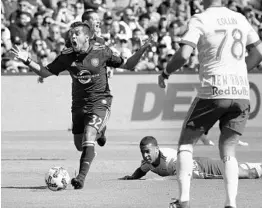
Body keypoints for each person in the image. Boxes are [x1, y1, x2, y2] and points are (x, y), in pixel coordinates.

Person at [11, 21, 157, 190]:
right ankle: (101, 131)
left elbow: (128, 65)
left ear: (86, 37)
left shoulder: (102, 52)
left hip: (100, 102)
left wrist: (143, 48)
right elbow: (45, 72)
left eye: (77, 33)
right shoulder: (67, 56)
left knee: (89, 134)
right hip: (79, 106)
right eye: (71, 33)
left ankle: (80, 178)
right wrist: (27, 60)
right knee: (80, 145)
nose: (72, 36)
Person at [157, 0, 262, 207]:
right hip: (240, 92)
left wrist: (166, 71)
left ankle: (183, 199)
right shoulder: (240, 18)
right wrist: (239, 73)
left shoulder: (200, 19)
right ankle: (231, 203)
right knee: (229, 149)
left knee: (186, 143)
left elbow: (184, 55)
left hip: (214, 90)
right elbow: (259, 53)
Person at [120, 136, 262, 180]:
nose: (145, 155)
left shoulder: (170, 157)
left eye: (147, 152)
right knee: (236, 167)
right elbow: (142, 170)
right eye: (142, 152)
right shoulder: (147, 161)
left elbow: (181, 175)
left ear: (157, 149)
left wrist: (159, 180)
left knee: (244, 174)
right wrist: (133, 177)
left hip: (203, 167)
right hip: (199, 165)